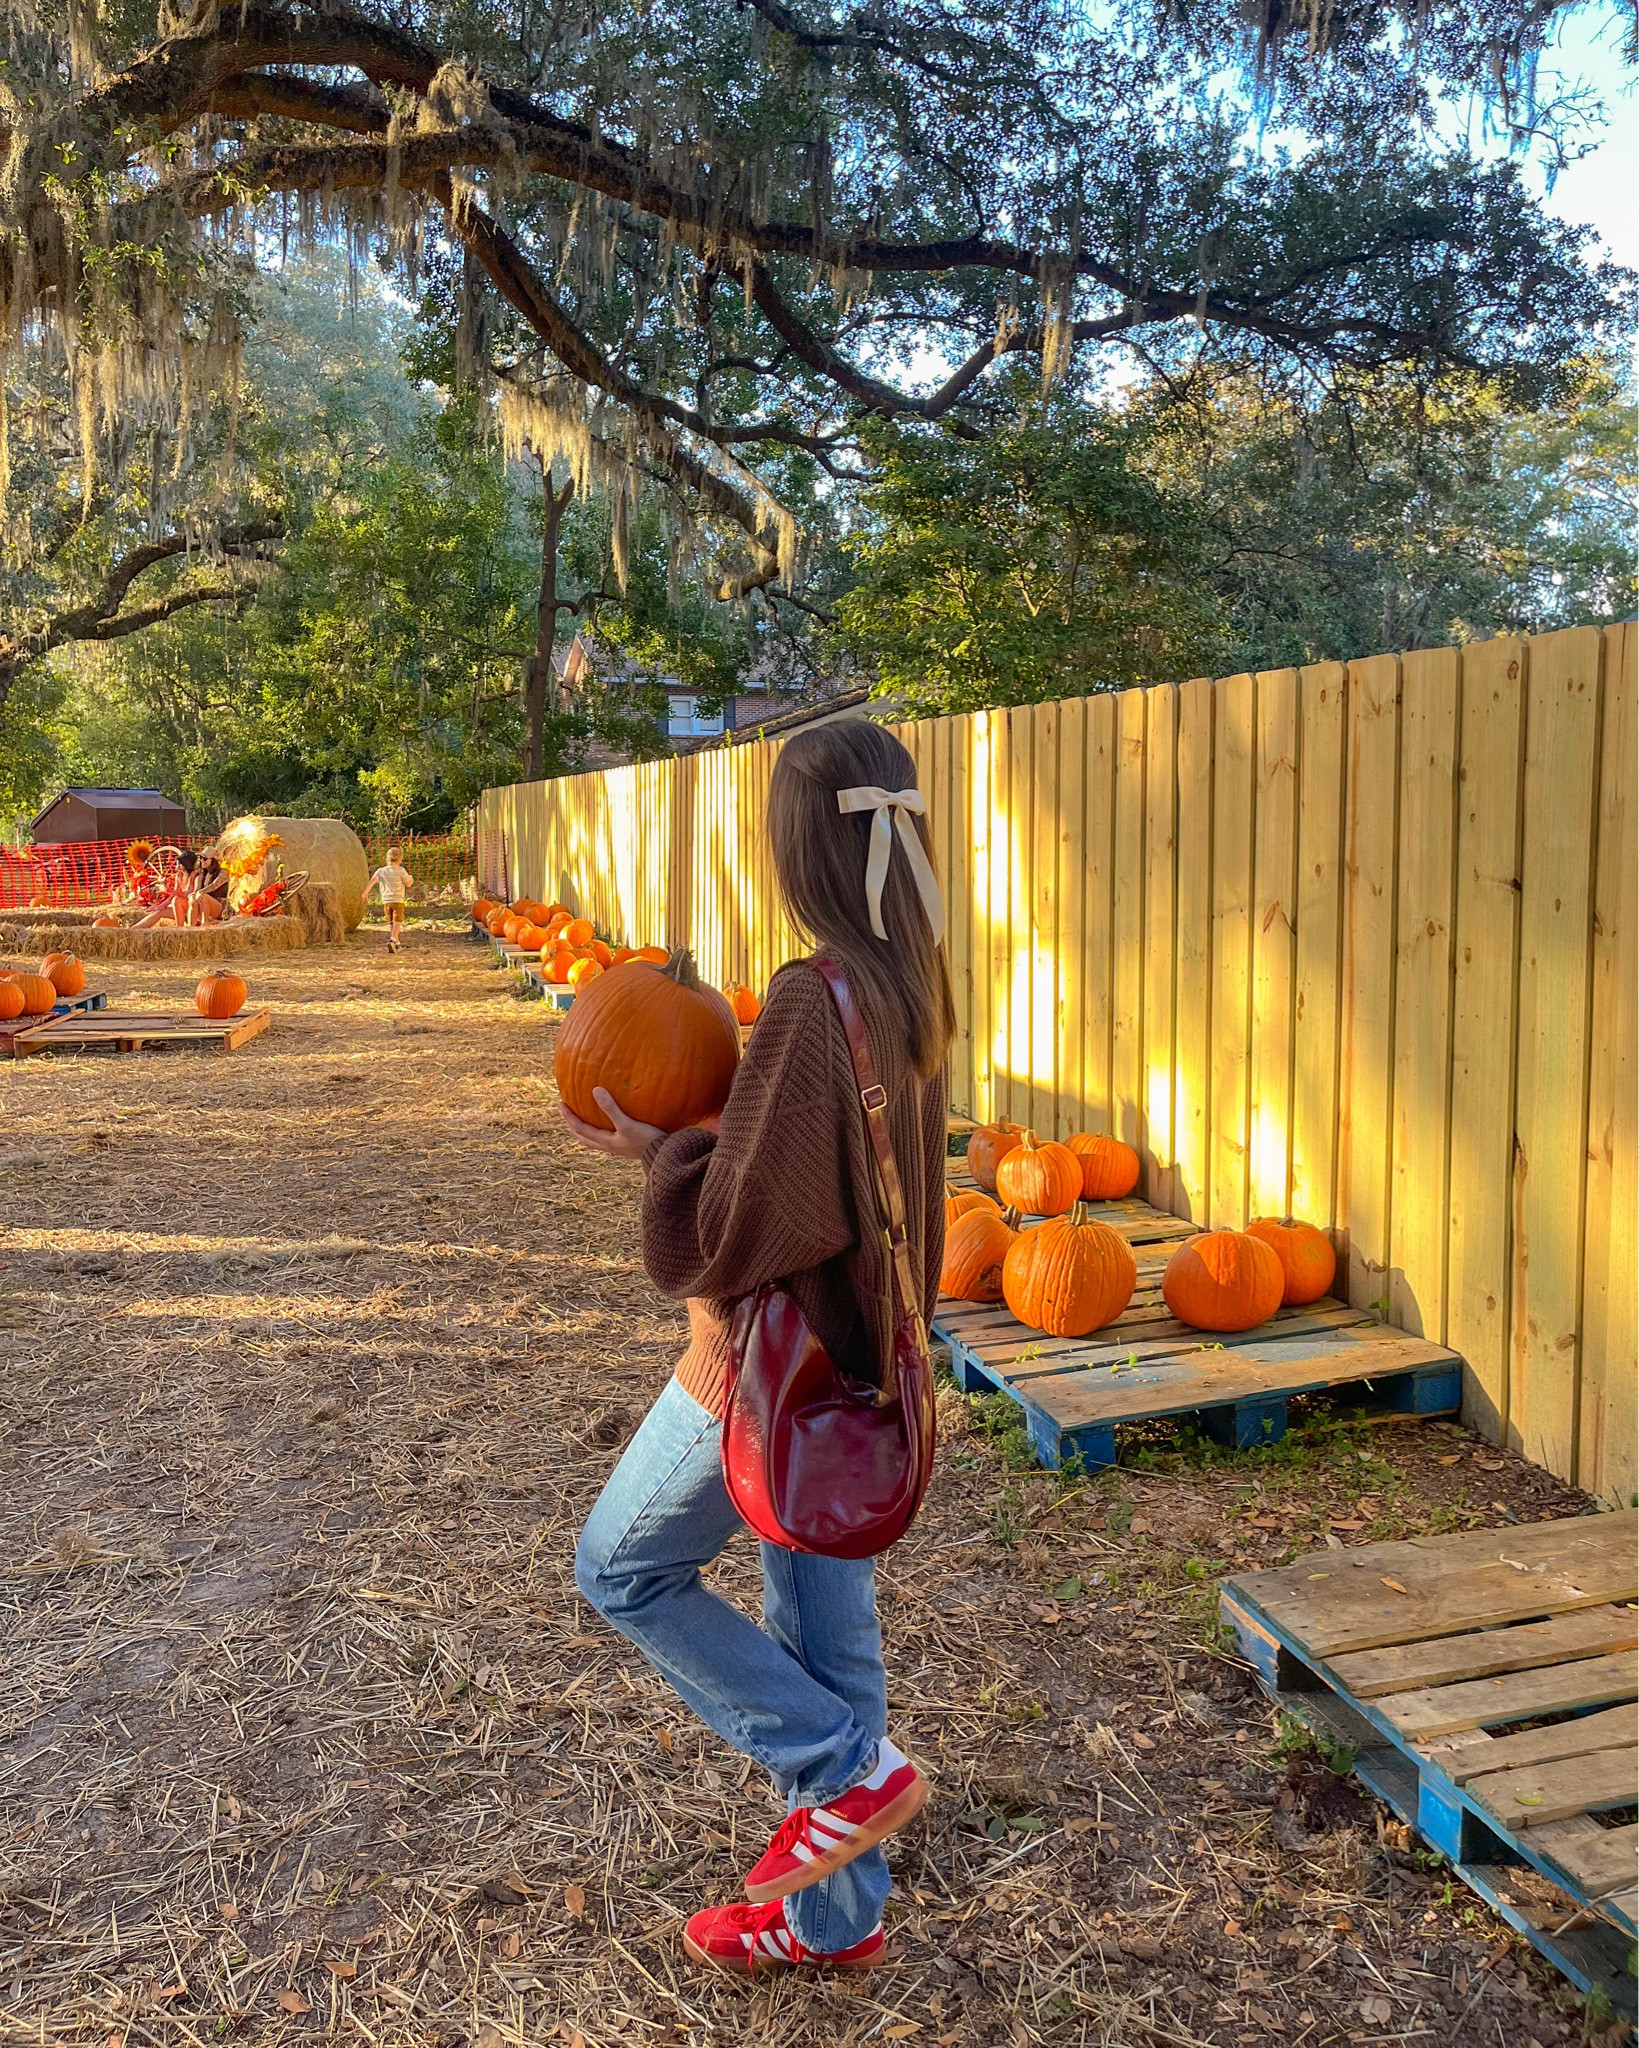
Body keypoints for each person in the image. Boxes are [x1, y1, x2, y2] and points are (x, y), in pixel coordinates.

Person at [562, 720, 954, 1977]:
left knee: (618, 1567)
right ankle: (838, 1920)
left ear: (799, 848)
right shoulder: (910, 982)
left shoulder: (807, 994)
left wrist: (662, 1152)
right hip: (858, 1374)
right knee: (828, 1637)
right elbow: (847, 1182)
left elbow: (742, 1224)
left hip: (767, 1371)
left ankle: (845, 1764)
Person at [363, 846, 415, 951]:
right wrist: (411, 878)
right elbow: (408, 884)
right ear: (400, 861)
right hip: (398, 900)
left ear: (387, 859)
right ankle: (392, 939)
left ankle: (397, 943)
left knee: (391, 922)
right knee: (398, 921)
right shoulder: (401, 870)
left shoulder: (381, 871)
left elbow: (372, 881)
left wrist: (365, 892)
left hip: (386, 901)